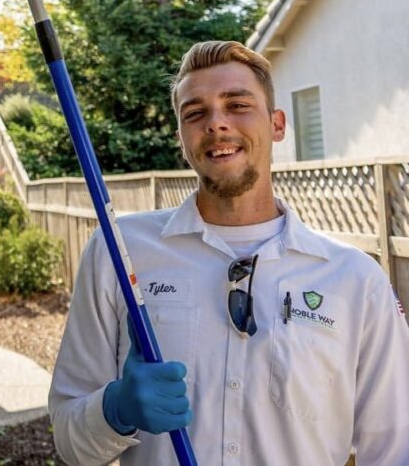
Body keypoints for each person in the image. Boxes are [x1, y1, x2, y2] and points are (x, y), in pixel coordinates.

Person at [48, 41, 409, 465]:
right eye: (195, 113)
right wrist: (115, 411)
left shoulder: (353, 279)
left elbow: (395, 448)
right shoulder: (119, 251)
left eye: (237, 105)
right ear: (181, 138)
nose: (216, 124)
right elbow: (71, 443)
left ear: (277, 124)